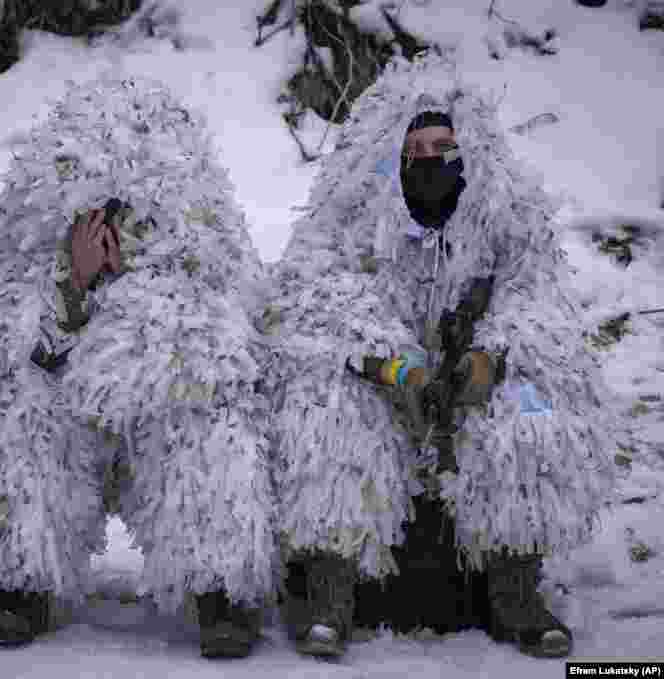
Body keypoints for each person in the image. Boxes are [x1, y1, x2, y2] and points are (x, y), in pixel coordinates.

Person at [261, 53, 618, 660]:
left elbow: (538, 302)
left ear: (468, 149)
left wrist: (491, 358)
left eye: (443, 145)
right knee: (329, 413)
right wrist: (392, 367)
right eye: (416, 147)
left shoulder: (505, 219)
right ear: (392, 152)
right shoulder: (349, 216)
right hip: (385, 385)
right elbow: (313, 301)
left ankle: (514, 592)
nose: (429, 159)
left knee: (529, 415)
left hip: (473, 384)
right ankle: (330, 594)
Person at [0, 76, 277, 658]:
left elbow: (233, 332)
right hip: (69, 409)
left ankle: (221, 593)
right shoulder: (33, 250)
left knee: (210, 419)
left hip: (162, 405)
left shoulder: (207, 246)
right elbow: (18, 346)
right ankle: (26, 583)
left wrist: (146, 312)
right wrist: (76, 290)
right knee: (28, 415)